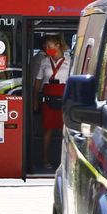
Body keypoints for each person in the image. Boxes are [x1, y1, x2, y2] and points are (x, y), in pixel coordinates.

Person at [31, 35, 70, 168]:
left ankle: (65, 160)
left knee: (67, 131)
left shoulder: (70, 61)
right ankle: (45, 159)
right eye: (45, 47)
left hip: (65, 100)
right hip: (48, 100)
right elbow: (37, 82)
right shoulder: (45, 62)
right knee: (47, 129)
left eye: (49, 46)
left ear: (58, 45)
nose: (47, 49)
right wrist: (35, 100)